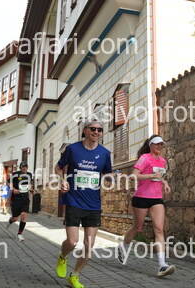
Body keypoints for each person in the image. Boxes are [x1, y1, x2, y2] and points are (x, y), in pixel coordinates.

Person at [55, 119, 112, 288]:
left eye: (100, 130)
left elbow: (107, 174)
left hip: (93, 204)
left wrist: (111, 178)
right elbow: (58, 167)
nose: (96, 132)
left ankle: (74, 275)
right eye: (93, 129)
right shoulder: (73, 149)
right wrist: (62, 181)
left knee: (89, 247)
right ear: (84, 130)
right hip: (74, 201)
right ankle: (62, 257)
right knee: (72, 242)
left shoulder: (105, 153)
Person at [118, 135, 175, 277]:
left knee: (159, 229)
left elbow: (160, 176)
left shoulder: (162, 161)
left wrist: (165, 183)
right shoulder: (145, 158)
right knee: (137, 228)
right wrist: (150, 176)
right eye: (157, 144)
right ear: (151, 145)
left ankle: (162, 265)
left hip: (157, 198)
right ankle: (123, 246)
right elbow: (133, 175)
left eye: (162, 144)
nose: (160, 146)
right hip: (141, 197)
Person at [8, 161, 35, 242]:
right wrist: (13, 189)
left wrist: (31, 190)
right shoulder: (15, 174)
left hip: (25, 198)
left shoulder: (29, 175)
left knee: (23, 215)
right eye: (23, 167)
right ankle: (11, 220)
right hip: (16, 199)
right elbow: (8, 182)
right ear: (20, 168)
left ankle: (19, 234)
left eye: (26, 167)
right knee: (15, 218)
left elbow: (29, 185)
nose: (25, 168)